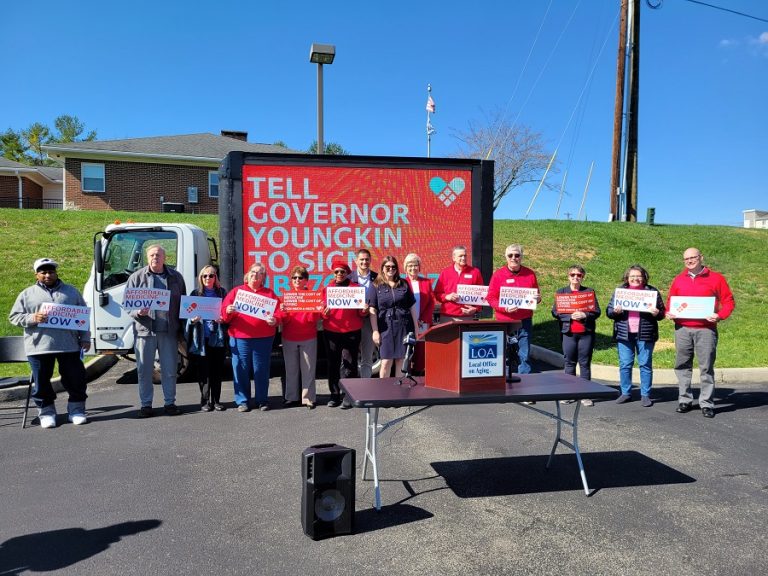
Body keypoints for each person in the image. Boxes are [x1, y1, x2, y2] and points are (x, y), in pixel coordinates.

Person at [9, 258, 91, 428]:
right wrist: (33, 318)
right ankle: (46, 412)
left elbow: (82, 317)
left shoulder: (71, 292)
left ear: (56, 273)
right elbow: (14, 317)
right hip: (39, 347)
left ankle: (76, 410)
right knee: (42, 382)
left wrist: (84, 338)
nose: (48, 275)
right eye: (43, 272)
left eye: (51, 271)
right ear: (36, 275)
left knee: (76, 379)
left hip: (69, 345)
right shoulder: (27, 294)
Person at [667, 247, 735, 418]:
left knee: (706, 367)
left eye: (693, 257)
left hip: (706, 329)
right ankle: (685, 400)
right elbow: (671, 301)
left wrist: (719, 315)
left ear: (701, 257)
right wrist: (669, 312)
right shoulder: (679, 279)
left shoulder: (716, 278)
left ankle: (706, 403)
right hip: (682, 329)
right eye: (686, 259)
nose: (689, 261)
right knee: (682, 365)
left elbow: (728, 301)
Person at [126, 245, 186, 418]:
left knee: (169, 370)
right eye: (152, 255)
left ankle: (170, 403)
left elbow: (183, 302)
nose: (155, 258)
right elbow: (127, 304)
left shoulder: (176, 277)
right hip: (145, 331)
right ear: (147, 257)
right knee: (144, 370)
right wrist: (138, 312)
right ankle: (146, 405)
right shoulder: (136, 278)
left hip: (169, 331)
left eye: (158, 255)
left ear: (164, 258)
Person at [221, 263, 281, 412]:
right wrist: (228, 310)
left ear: (263, 278)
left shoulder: (269, 294)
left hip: (263, 338)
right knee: (240, 369)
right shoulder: (236, 292)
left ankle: (262, 400)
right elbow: (224, 315)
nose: (255, 274)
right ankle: (242, 401)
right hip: (240, 338)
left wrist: (275, 319)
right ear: (247, 275)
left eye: (259, 273)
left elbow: (279, 312)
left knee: (261, 370)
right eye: (253, 272)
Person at [606, 265, 666, 407]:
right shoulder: (620, 292)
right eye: (632, 276)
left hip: (645, 334)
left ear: (644, 277)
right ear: (627, 278)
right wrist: (615, 312)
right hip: (624, 334)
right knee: (625, 364)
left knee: (645, 364)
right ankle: (625, 393)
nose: (635, 279)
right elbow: (608, 312)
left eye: (638, 276)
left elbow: (662, 313)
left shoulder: (652, 292)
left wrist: (657, 313)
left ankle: (645, 394)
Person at [321, 257, 369, 408]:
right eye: (337, 272)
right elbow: (321, 311)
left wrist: (364, 310)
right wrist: (325, 313)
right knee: (333, 364)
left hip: (351, 332)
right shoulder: (327, 289)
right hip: (331, 332)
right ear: (333, 273)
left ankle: (348, 395)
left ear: (347, 273)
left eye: (342, 271)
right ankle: (334, 395)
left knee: (350, 364)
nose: (339, 274)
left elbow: (361, 313)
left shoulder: (356, 289)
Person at [486, 244, 541, 375]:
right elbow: (491, 298)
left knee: (524, 355)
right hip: (504, 321)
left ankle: (525, 386)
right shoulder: (498, 275)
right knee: (504, 355)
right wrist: (504, 308)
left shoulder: (530, 274)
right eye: (510, 255)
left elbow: (537, 296)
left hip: (524, 321)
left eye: (517, 255)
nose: (514, 258)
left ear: (521, 257)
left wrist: (537, 298)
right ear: (506, 257)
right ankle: (503, 382)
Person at [551, 264, 601, 407]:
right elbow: (555, 312)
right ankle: (569, 393)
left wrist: (585, 314)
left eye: (579, 275)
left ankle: (585, 394)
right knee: (569, 363)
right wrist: (570, 317)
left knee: (584, 363)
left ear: (582, 277)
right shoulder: (561, 292)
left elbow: (597, 312)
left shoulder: (589, 292)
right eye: (572, 275)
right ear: (568, 277)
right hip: (569, 333)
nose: (575, 277)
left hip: (586, 333)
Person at [185, 265, 228, 412]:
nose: (208, 278)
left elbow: (228, 314)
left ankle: (216, 400)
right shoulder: (195, 293)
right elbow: (187, 317)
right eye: (205, 276)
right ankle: (204, 401)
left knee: (217, 371)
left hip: (218, 338)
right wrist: (192, 320)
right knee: (204, 372)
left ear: (216, 277)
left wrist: (224, 319)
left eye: (211, 275)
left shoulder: (222, 293)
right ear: (200, 278)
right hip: (202, 339)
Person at [370, 256, 420, 378]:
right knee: (386, 362)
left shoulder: (403, 283)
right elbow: (372, 309)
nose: (391, 269)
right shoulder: (376, 285)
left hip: (404, 326)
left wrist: (416, 327)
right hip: (385, 328)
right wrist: (375, 331)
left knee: (401, 360)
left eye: (393, 267)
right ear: (382, 268)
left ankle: (398, 393)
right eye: (387, 267)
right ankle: (383, 395)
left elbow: (411, 306)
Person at [280, 265, 321, 409]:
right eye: (294, 278)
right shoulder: (286, 297)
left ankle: (308, 398)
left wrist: (315, 309)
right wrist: (283, 312)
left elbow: (315, 319)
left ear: (306, 280)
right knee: (291, 369)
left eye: (300, 277)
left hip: (308, 336)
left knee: (308, 369)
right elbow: (283, 320)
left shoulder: (312, 296)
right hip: (289, 337)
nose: (297, 280)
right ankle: (291, 397)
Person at [403, 253, 435, 374]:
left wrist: (423, 318)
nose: (413, 268)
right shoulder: (402, 282)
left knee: (421, 349)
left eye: (415, 265)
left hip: (423, 322)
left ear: (419, 267)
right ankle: (407, 372)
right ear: (405, 268)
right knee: (408, 348)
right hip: (407, 322)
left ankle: (419, 374)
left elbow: (431, 302)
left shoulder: (426, 282)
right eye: (410, 265)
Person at [434, 245, 484, 323]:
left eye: (465, 255)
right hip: (447, 316)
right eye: (460, 256)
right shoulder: (445, 272)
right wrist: (447, 296)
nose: (463, 258)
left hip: (467, 317)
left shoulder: (475, 272)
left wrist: (476, 308)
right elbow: (437, 294)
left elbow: (482, 295)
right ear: (453, 258)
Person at [348, 249, 378, 378]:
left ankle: (365, 388)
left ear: (370, 260)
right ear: (356, 261)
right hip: (352, 321)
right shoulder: (349, 278)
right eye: (361, 259)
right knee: (349, 357)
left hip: (369, 321)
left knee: (367, 357)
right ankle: (350, 389)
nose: (364, 262)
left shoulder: (377, 278)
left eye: (367, 259)